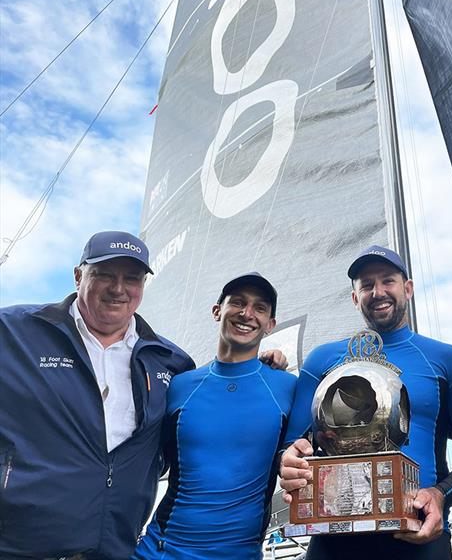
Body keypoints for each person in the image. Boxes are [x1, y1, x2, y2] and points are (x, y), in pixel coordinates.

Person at [0, 231, 194, 559]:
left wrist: (261, 365)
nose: (118, 289)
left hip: (115, 545)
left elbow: (191, 442)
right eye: (104, 274)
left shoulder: (171, 361)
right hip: (19, 544)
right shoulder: (12, 331)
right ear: (79, 276)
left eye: (131, 278)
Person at [278, 245, 452, 559]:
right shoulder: (322, 359)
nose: (378, 291)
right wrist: (288, 462)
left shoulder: (447, 360)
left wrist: (440, 495)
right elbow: (292, 446)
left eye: (388, 281)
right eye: (366, 285)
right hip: (333, 538)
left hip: (419, 535)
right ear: (355, 297)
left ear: (407, 289)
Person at [134, 272, 297, 559]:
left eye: (260, 308)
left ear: (270, 324)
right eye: (238, 303)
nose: (247, 314)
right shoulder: (180, 385)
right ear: (217, 311)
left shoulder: (287, 388)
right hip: (160, 550)